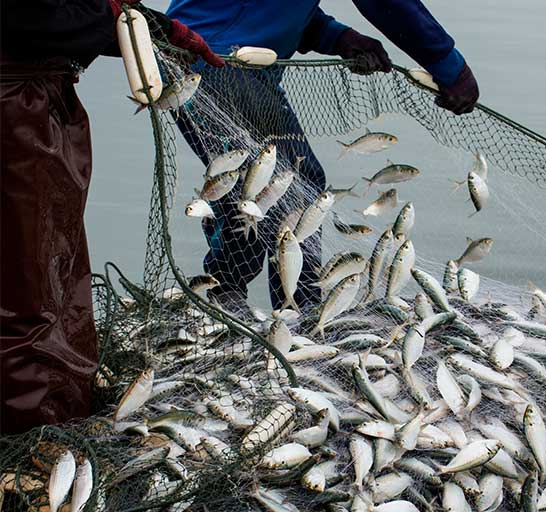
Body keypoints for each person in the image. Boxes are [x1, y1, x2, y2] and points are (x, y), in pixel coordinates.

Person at [167, 0, 480, 315]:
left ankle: (246, 298)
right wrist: (448, 64)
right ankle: (288, 309)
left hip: (219, 59)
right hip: (214, 60)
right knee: (285, 184)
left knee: (270, 183)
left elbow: (271, 9)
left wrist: (336, 37)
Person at [0, 0, 222, 435]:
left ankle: (57, 408)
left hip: (34, 96)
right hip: (14, 107)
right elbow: (30, 17)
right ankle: (31, 432)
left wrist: (154, 27)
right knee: (29, 284)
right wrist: (115, 20)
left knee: (51, 266)